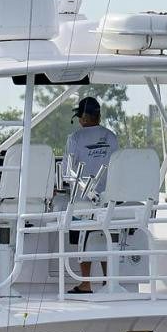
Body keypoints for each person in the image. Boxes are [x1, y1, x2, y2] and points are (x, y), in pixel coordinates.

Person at [66, 96, 118, 292]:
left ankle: (86, 283)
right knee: (105, 237)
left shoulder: (75, 138)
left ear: (84, 118)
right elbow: (117, 166)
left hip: (82, 201)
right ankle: (107, 281)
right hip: (107, 200)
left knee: (83, 239)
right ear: (99, 116)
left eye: (80, 117)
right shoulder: (111, 137)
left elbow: (67, 171)